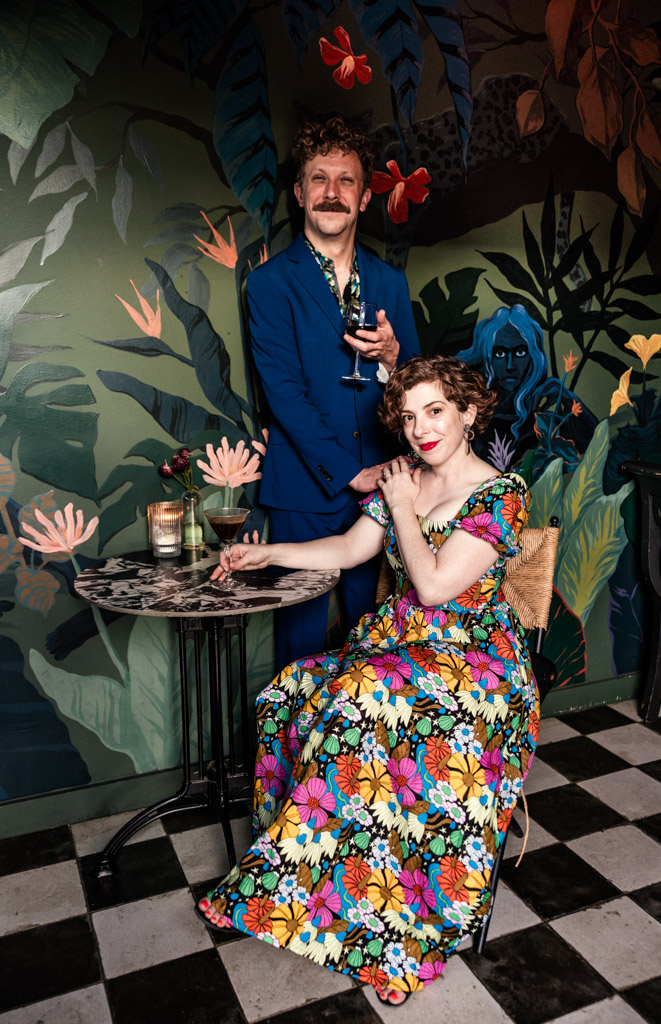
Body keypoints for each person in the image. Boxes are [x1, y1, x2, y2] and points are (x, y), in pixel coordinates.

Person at [197, 355, 539, 1007]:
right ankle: (306, 884)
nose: (419, 429)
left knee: (361, 701)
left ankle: (391, 928)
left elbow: (437, 588)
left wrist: (404, 507)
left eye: (435, 411)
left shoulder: (501, 493)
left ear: (468, 412)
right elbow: (351, 550)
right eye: (408, 417)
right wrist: (267, 551)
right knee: (290, 691)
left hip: (474, 667)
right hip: (399, 649)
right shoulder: (405, 480)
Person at [246, 115, 420, 666]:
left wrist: (394, 359)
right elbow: (285, 396)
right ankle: (287, 755)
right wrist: (350, 472)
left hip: (384, 490)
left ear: (365, 197)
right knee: (299, 650)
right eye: (319, 179)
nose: (332, 193)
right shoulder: (270, 283)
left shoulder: (391, 282)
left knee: (372, 646)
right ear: (299, 193)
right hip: (303, 490)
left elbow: (419, 387)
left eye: (346, 181)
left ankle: (357, 756)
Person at [458, 304, 597, 470]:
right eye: (500, 354)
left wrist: (562, 392)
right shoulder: (472, 418)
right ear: (487, 357)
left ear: (533, 357)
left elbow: (593, 439)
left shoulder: (541, 423)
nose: (510, 365)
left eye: (520, 353)